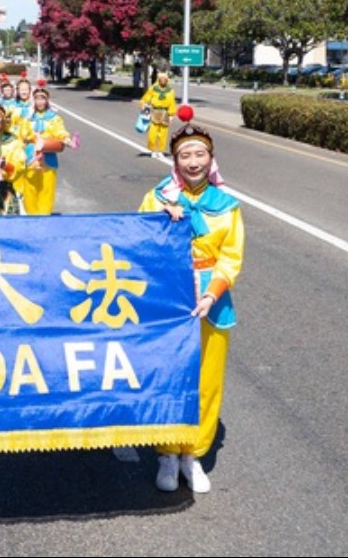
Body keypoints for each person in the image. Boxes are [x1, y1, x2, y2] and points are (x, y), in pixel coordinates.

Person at [138, 123, 244, 494]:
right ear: (175, 160)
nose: (194, 161)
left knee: (206, 380)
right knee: (170, 377)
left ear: (211, 159)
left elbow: (231, 259)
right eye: (186, 155)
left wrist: (211, 294)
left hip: (211, 302)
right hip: (170, 300)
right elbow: (139, 245)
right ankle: (167, 453)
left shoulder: (226, 206)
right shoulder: (156, 198)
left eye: (201, 154)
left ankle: (193, 454)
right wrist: (161, 222)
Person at [21, 81, 78, 215]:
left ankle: (44, 215)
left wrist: (67, 140)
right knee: (30, 188)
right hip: (31, 156)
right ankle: (31, 216)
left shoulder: (54, 118)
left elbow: (60, 132)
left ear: (47, 101)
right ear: (33, 100)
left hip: (49, 156)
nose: (40, 101)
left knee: (47, 188)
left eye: (43, 98)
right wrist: (31, 138)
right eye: (37, 98)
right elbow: (21, 134)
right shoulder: (28, 117)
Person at [140, 71, 177, 159]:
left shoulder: (171, 90)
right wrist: (143, 105)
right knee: (153, 133)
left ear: (167, 80)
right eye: (161, 78)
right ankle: (153, 150)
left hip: (165, 113)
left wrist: (172, 115)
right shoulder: (153, 88)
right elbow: (146, 99)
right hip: (155, 112)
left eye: (165, 78)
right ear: (158, 79)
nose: (163, 80)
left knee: (163, 134)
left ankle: (160, 151)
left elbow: (172, 103)